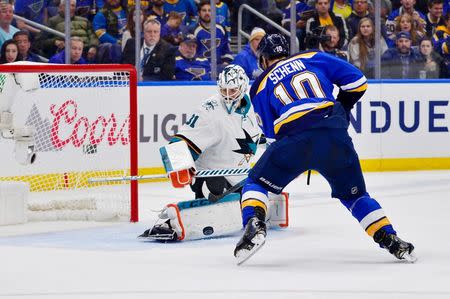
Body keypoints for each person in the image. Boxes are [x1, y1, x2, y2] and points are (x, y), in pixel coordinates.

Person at [233, 33, 416, 265]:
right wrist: (342, 110)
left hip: (294, 139)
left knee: (255, 183)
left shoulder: (260, 85)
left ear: (264, 59)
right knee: (356, 196)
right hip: (334, 133)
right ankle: (391, 240)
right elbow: (358, 82)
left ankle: (254, 223)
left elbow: (271, 135)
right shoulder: (313, 57)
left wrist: (293, 160)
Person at [139, 64, 288, 241]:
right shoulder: (210, 110)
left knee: (262, 203)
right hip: (212, 178)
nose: (227, 95)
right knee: (226, 208)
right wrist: (179, 164)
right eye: (223, 90)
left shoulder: (254, 106)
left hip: (239, 176)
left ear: (242, 87)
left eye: (232, 90)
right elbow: (183, 139)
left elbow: (263, 138)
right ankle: (172, 223)